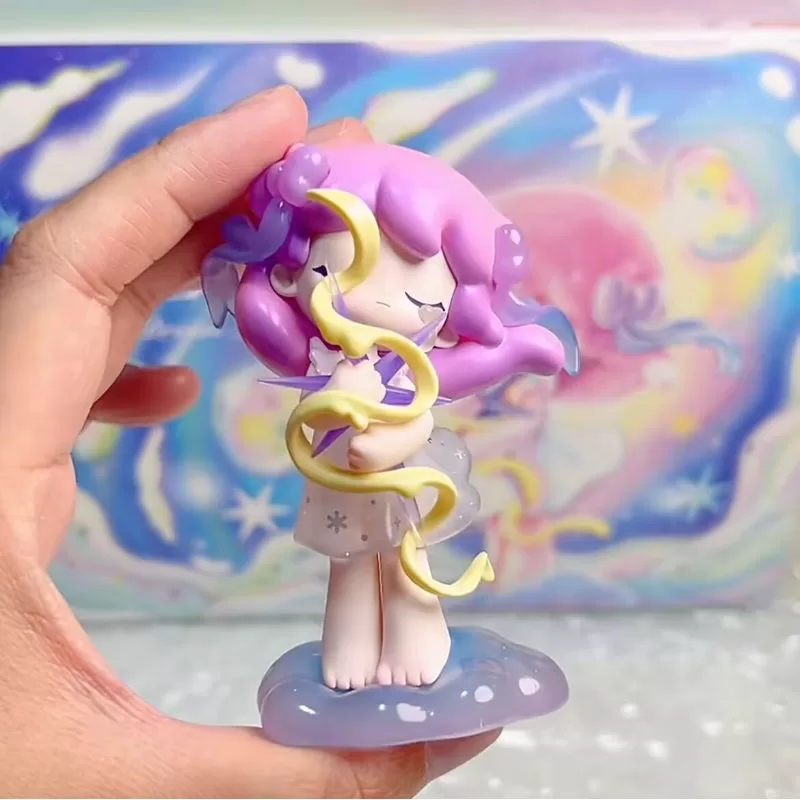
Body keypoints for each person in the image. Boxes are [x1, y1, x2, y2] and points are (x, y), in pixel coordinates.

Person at [0, 85, 499, 798]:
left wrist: (385, 450)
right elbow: (315, 423)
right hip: (339, 485)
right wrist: (341, 421)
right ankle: (350, 646)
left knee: (405, 562)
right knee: (349, 566)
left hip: (397, 482)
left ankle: (422, 638)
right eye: (344, 269)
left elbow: (416, 421)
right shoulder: (326, 364)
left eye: (421, 284)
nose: (385, 298)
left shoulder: (409, 374)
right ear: (294, 276)